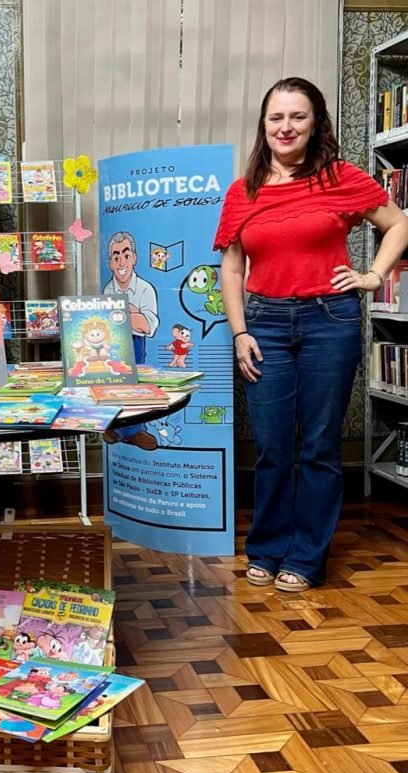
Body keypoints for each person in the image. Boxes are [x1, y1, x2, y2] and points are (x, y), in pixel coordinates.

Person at [214, 76, 408, 593]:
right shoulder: (244, 191)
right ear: (263, 124)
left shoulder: (342, 178)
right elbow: (231, 272)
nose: (286, 127)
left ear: (315, 122)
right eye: (276, 117)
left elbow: (399, 223)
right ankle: (269, 547)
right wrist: (239, 333)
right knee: (273, 444)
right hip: (265, 324)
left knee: (320, 445)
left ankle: (305, 557)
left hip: (332, 321)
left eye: (297, 116)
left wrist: (371, 276)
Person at [102, 231, 159, 363]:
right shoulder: (108, 289)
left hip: (136, 342)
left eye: (126, 256)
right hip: (113, 344)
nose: (121, 263)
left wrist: (119, 311)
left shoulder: (146, 289)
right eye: (116, 258)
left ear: (134, 258)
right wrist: (132, 311)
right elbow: (106, 321)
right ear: (111, 263)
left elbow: (147, 326)